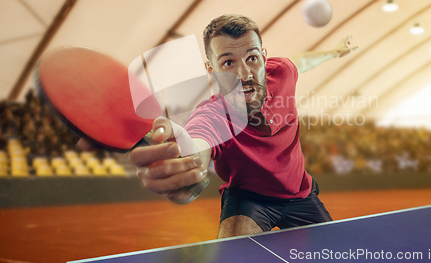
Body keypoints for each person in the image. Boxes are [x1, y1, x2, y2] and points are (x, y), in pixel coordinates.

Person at [81, 14, 358, 238]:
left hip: (301, 195)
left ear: (264, 56)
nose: (244, 73)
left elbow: (302, 61)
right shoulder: (212, 115)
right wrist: (183, 156)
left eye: (252, 58)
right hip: (249, 201)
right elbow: (197, 143)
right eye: (228, 63)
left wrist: (334, 53)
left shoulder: (281, 72)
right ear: (211, 69)